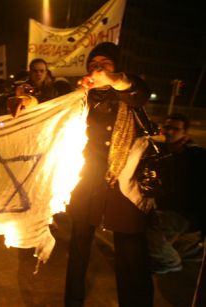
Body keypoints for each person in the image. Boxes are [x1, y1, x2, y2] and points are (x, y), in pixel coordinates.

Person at [63, 42, 154, 307]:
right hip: (87, 181)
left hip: (123, 182)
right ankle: (72, 300)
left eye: (105, 63)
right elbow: (51, 109)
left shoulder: (128, 92)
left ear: (117, 68)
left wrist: (113, 80)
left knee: (130, 251)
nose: (98, 68)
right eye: (93, 64)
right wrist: (29, 101)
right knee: (79, 245)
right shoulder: (80, 97)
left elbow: (139, 92)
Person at [146, 113, 205, 274]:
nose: (169, 132)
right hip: (168, 208)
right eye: (167, 127)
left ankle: (170, 261)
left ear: (184, 133)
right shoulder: (160, 151)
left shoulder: (196, 156)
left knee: (149, 225)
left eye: (175, 129)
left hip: (187, 213)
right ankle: (186, 250)